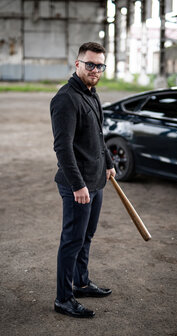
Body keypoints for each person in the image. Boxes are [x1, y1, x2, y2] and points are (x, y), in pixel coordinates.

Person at [50, 42, 116, 318]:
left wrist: (109, 164)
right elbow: (62, 148)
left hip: (96, 179)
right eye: (90, 64)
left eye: (100, 65)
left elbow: (98, 135)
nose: (95, 70)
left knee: (86, 236)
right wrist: (78, 185)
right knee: (72, 241)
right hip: (77, 184)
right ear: (77, 64)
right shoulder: (66, 99)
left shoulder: (92, 93)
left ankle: (81, 283)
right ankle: (63, 299)